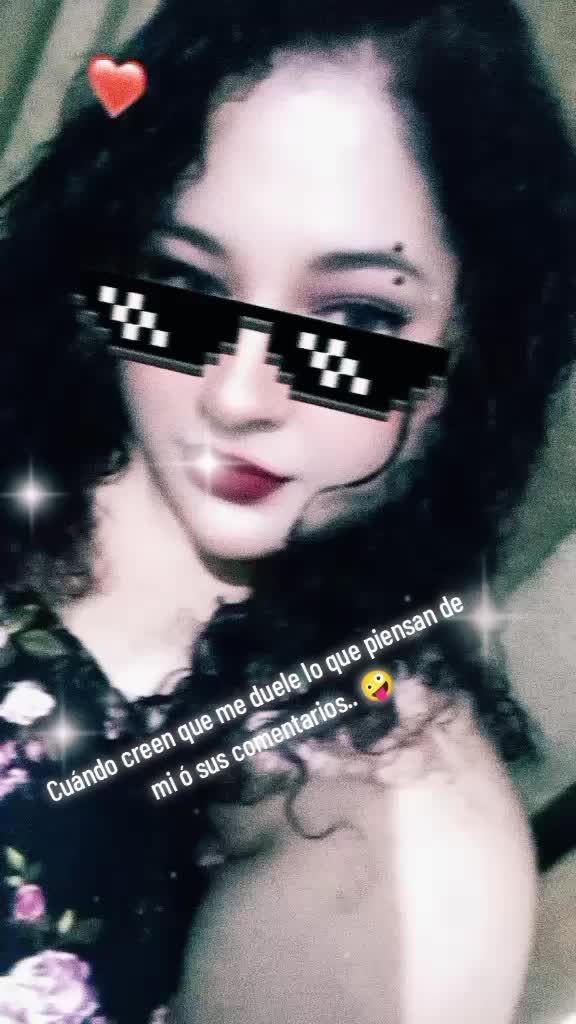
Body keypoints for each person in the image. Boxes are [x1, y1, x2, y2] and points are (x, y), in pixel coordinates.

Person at [0, 0, 574, 1021]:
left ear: (483, 335)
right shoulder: (42, 432)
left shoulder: (403, 846)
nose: (235, 396)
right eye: (182, 282)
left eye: (356, 318)